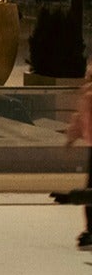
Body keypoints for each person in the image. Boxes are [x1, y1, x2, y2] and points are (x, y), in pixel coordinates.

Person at [62, 63, 92, 248]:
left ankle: (90, 228)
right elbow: (79, 118)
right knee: (89, 189)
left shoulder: (86, 95)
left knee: (90, 189)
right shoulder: (87, 95)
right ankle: (90, 229)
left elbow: (78, 118)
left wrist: (71, 136)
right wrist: (72, 135)